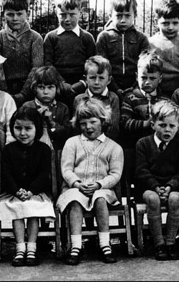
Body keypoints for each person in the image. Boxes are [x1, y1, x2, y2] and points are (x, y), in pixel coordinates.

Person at [56, 100, 124, 265]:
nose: (88, 127)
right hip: (76, 188)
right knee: (75, 201)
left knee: (100, 199)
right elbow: (66, 170)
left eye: (93, 122)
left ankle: (105, 244)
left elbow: (115, 174)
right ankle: (76, 246)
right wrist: (77, 184)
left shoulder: (114, 147)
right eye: (83, 123)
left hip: (102, 189)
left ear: (103, 121)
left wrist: (99, 185)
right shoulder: (72, 143)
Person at [0, 106, 55, 267]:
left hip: (36, 192)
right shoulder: (8, 150)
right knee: (18, 208)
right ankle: (20, 248)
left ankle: (31, 248)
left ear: (36, 129)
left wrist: (31, 191)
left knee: (31, 208)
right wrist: (17, 191)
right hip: (13, 192)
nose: (22, 133)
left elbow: (44, 175)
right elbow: (6, 175)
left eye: (28, 128)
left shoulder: (43, 149)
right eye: (18, 128)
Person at [134, 100, 179, 261]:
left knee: (175, 198)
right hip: (149, 187)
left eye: (172, 126)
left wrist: (170, 186)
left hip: (173, 188)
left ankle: (171, 242)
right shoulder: (143, 144)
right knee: (152, 199)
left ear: (178, 127)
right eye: (162, 125)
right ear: (153, 125)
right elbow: (141, 171)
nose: (167, 129)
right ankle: (159, 243)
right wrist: (156, 187)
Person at [43, 0, 97, 108]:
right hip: (58, 84)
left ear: (80, 12)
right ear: (56, 13)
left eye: (72, 14)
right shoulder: (51, 37)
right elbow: (48, 64)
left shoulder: (87, 38)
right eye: (62, 15)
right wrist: (60, 83)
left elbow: (92, 65)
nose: (67, 19)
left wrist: (82, 83)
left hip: (82, 84)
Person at [0, 0, 44, 106]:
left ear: (28, 13)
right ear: (2, 14)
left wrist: (24, 94)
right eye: (10, 14)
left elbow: (36, 68)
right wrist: (5, 93)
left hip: (29, 93)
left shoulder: (35, 38)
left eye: (19, 14)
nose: (15, 18)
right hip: (3, 93)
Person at [96, 0, 150, 92]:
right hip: (108, 87)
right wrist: (114, 88)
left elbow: (145, 66)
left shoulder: (141, 38)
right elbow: (102, 66)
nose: (123, 20)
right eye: (119, 15)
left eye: (127, 15)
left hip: (136, 87)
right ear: (110, 15)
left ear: (135, 15)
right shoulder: (104, 37)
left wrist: (135, 87)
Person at [119, 50, 170, 155]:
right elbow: (124, 122)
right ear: (137, 77)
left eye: (152, 78)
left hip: (158, 146)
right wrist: (145, 123)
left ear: (160, 79)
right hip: (134, 144)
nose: (147, 82)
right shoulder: (130, 98)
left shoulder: (165, 100)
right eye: (143, 77)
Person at [148, 0, 179, 97]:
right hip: (155, 90)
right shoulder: (151, 43)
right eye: (165, 23)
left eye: (175, 23)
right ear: (156, 22)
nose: (171, 27)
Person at [20, 66, 72, 150]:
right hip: (32, 152)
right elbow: (22, 131)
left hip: (56, 153)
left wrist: (52, 123)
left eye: (50, 87)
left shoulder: (62, 108)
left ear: (57, 88)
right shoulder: (27, 106)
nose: (46, 92)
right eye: (41, 87)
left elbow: (67, 134)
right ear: (34, 88)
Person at [72, 55, 121, 143]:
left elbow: (113, 129)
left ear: (109, 80)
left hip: (106, 143)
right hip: (83, 143)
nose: (97, 82)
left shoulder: (113, 98)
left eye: (101, 78)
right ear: (86, 79)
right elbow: (76, 128)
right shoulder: (79, 99)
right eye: (92, 77)